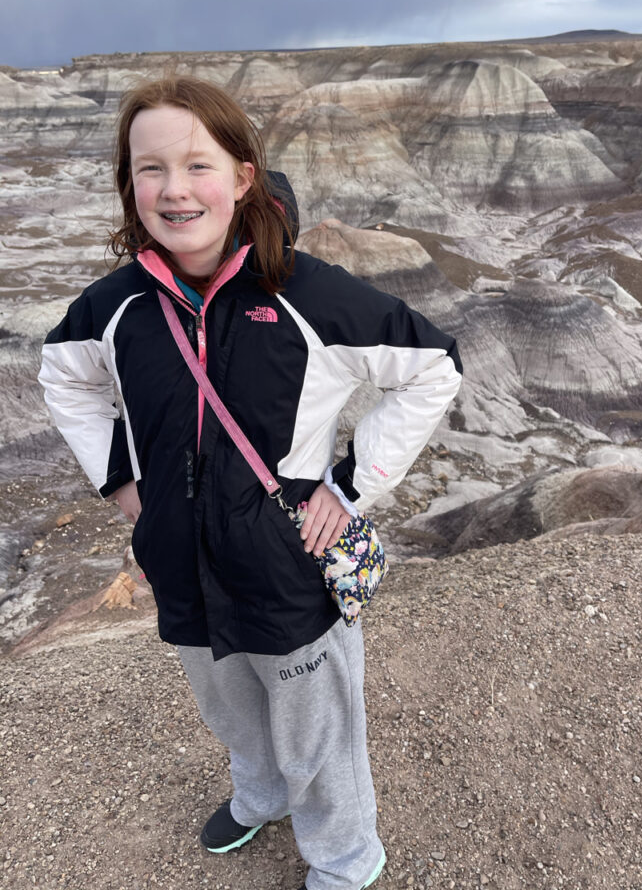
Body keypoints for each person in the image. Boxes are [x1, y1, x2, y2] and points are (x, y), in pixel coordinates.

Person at [38, 75, 463, 890]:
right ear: (130, 186)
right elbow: (63, 375)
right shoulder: (117, 304)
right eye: (149, 168)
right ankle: (261, 795)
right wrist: (124, 482)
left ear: (241, 177)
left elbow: (434, 368)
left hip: (285, 560)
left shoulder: (307, 294)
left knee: (317, 726)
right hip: (180, 558)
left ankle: (345, 858)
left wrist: (347, 488)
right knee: (228, 704)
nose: (173, 188)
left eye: (197, 165)